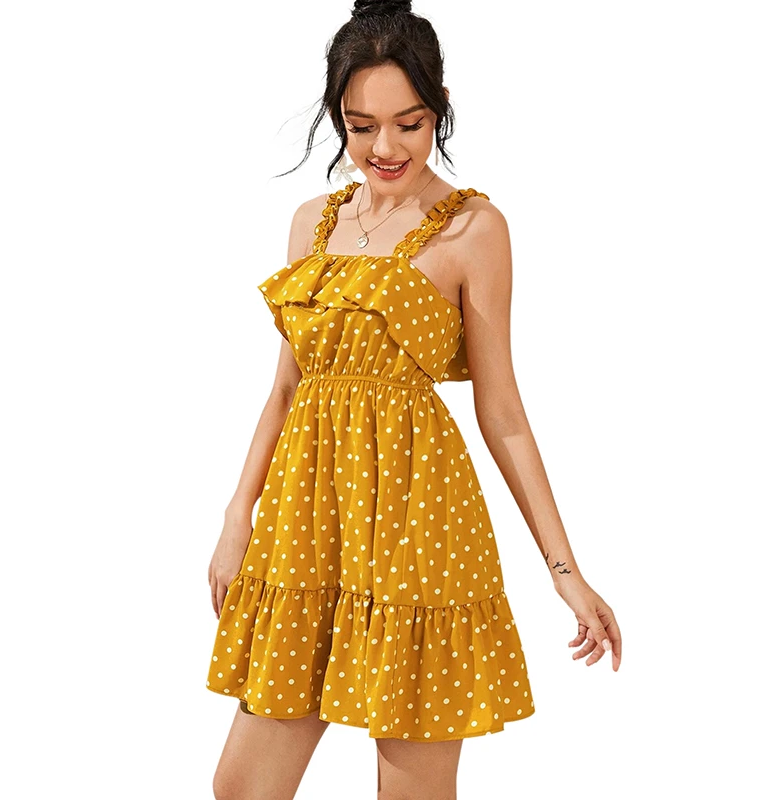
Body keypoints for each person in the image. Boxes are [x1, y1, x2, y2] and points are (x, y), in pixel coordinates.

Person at [206, 1, 622, 797]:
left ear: (440, 109)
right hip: (305, 525)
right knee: (243, 787)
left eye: (411, 123)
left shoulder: (474, 230)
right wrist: (236, 517)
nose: (385, 148)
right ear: (338, 114)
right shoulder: (311, 223)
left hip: (417, 527)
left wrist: (564, 571)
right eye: (361, 126)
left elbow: (503, 414)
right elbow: (288, 387)